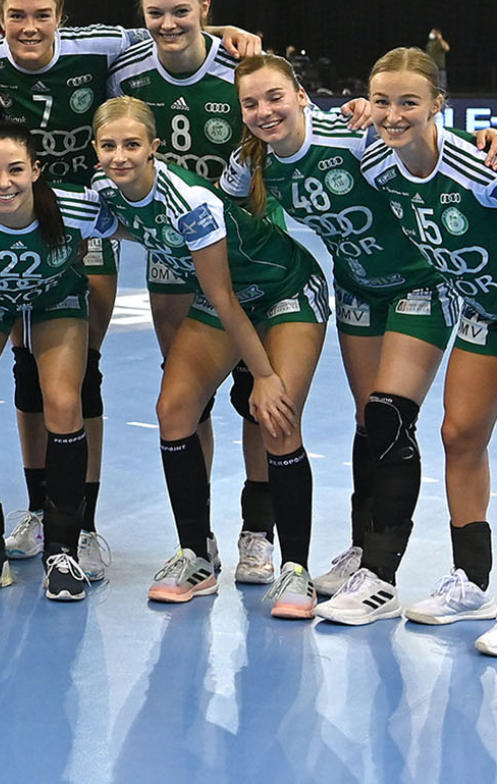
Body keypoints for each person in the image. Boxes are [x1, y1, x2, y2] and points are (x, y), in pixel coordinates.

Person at [221, 53, 456, 626]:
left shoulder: (353, 135)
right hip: (356, 287)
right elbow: (218, 210)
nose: (264, 111)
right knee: (367, 418)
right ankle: (360, 550)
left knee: (390, 417)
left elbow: (428, 151)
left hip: (419, 282)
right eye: (250, 103)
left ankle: (381, 576)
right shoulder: (251, 162)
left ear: (302, 95)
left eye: (275, 97)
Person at [92, 96, 326, 615]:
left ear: (154, 148)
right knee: (174, 410)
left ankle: (296, 571)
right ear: (96, 149)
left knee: (277, 417)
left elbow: (222, 298)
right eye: (108, 145)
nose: (120, 155)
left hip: (282, 287)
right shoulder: (104, 191)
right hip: (227, 296)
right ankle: (195, 556)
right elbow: (116, 223)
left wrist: (263, 375)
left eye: (132, 144)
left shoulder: (189, 201)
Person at [105, 0, 280, 586]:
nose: (168, 23)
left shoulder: (242, 68)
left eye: (181, 10)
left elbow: (291, 124)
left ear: (206, 8)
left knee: (257, 396)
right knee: (189, 396)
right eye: (156, 12)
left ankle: (258, 531)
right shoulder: (126, 70)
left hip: (246, 251)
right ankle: (197, 539)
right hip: (170, 256)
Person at [0, 122, 118, 599]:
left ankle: (61, 549)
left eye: (15, 170)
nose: (4, 182)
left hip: (56, 299)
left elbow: (137, 223)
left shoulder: (78, 208)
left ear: (35, 170)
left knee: (64, 403)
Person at [360, 48, 497, 655]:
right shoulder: (378, 165)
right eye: (382, 101)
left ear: (438, 104)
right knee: (459, 435)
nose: (393, 115)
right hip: (482, 310)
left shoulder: (477, 169)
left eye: (408, 102)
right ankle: (473, 583)